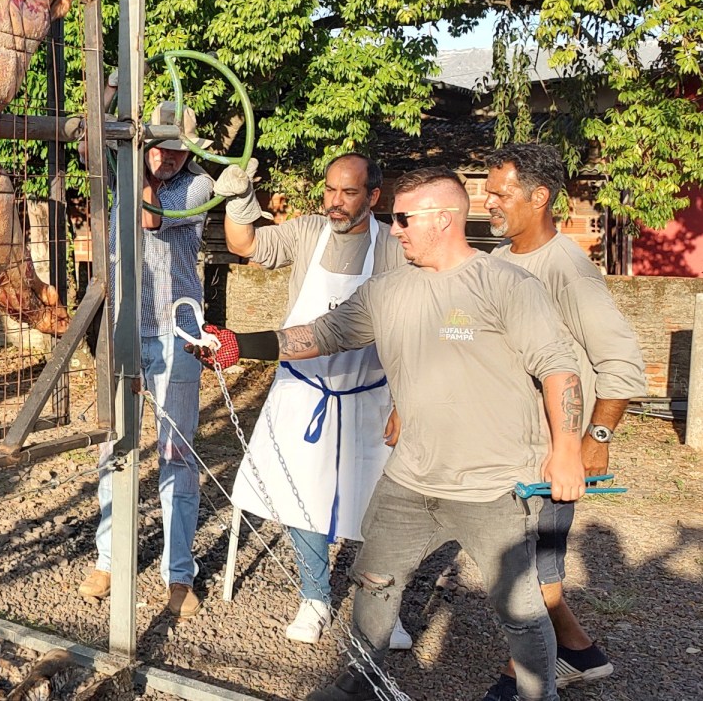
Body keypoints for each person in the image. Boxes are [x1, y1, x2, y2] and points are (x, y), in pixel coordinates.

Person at [199, 167, 585, 701]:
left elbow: (559, 367)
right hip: (409, 478)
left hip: (493, 484)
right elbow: (323, 334)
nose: (394, 228)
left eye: (403, 218)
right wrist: (238, 343)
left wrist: (567, 452)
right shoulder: (389, 290)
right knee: (373, 585)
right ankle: (356, 685)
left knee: (519, 611)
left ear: (444, 219)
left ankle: (539, 693)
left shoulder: (505, 284)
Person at [471, 142, 646, 700]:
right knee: (530, 560)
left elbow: (621, 359)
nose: (488, 200)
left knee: (528, 566)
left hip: (551, 450)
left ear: (539, 196)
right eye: (487, 190)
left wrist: (594, 439)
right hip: (504, 443)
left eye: (500, 192)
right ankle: (580, 652)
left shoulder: (566, 267)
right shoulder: (498, 261)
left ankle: (527, 674)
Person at [217, 153, 410, 647]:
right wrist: (240, 202)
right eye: (330, 190)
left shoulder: (394, 248)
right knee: (304, 495)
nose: (336, 202)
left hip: (371, 394)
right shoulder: (305, 231)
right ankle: (314, 597)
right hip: (304, 389)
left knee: (380, 502)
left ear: (374, 196)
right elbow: (244, 242)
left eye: (349, 193)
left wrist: (407, 404)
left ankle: (385, 608)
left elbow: (413, 332)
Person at [78, 90, 215, 620]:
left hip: (177, 333)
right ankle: (110, 559)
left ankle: (178, 574)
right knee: (112, 446)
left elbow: (150, 219)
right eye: (159, 145)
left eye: (177, 148)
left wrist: (136, 162)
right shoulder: (125, 173)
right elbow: (98, 146)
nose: (169, 155)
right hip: (123, 330)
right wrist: (120, 140)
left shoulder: (196, 186)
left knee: (176, 454)